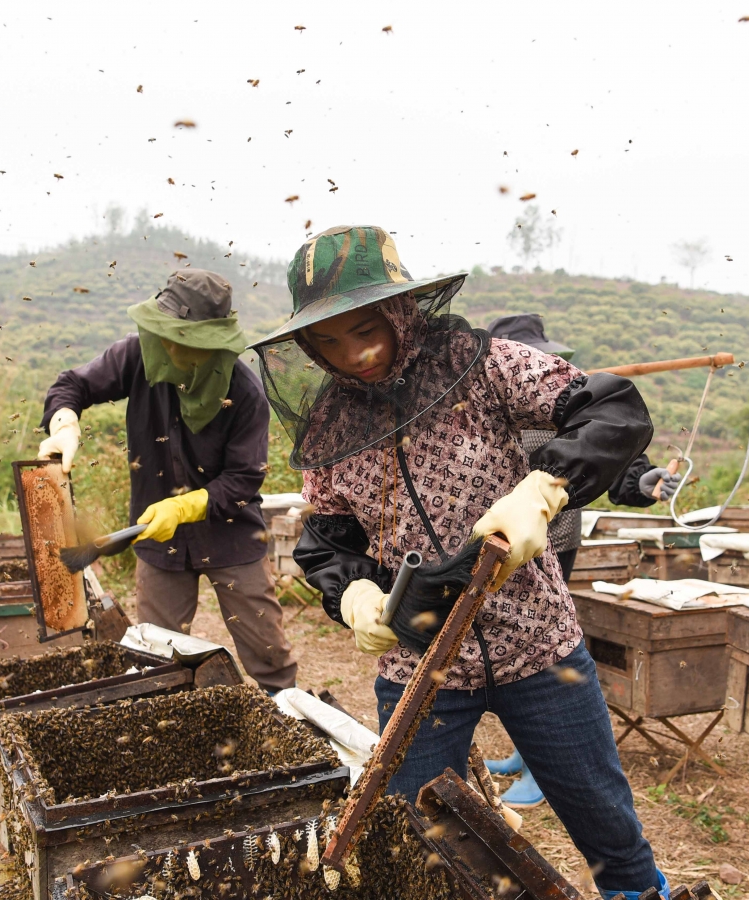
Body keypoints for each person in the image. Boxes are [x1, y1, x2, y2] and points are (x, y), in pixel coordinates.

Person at [255, 226, 668, 900]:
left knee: (609, 834)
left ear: (398, 310)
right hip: (418, 664)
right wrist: (354, 592)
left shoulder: (483, 366)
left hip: (538, 645)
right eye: (326, 341)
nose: (351, 353)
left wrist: (545, 488)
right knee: (418, 847)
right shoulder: (330, 426)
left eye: (363, 329)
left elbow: (611, 410)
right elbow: (326, 540)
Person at [38, 270, 297, 694]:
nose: (171, 346)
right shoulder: (139, 356)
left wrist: (184, 506)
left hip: (231, 537)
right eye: (165, 333)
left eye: (184, 338)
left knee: (268, 654)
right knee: (154, 658)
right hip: (159, 541)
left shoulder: (245, 392)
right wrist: (64, 423)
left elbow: (244, 478)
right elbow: (73, 384)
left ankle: (294, 722)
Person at [481, 313, 681, 808]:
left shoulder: (560, 401)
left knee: (543, 653)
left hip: (555, 550)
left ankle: (543, 771)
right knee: (509, 658)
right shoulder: (481, 407)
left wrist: (643, 480)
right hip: (496, 549)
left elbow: (612, 457)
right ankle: (525, 753)